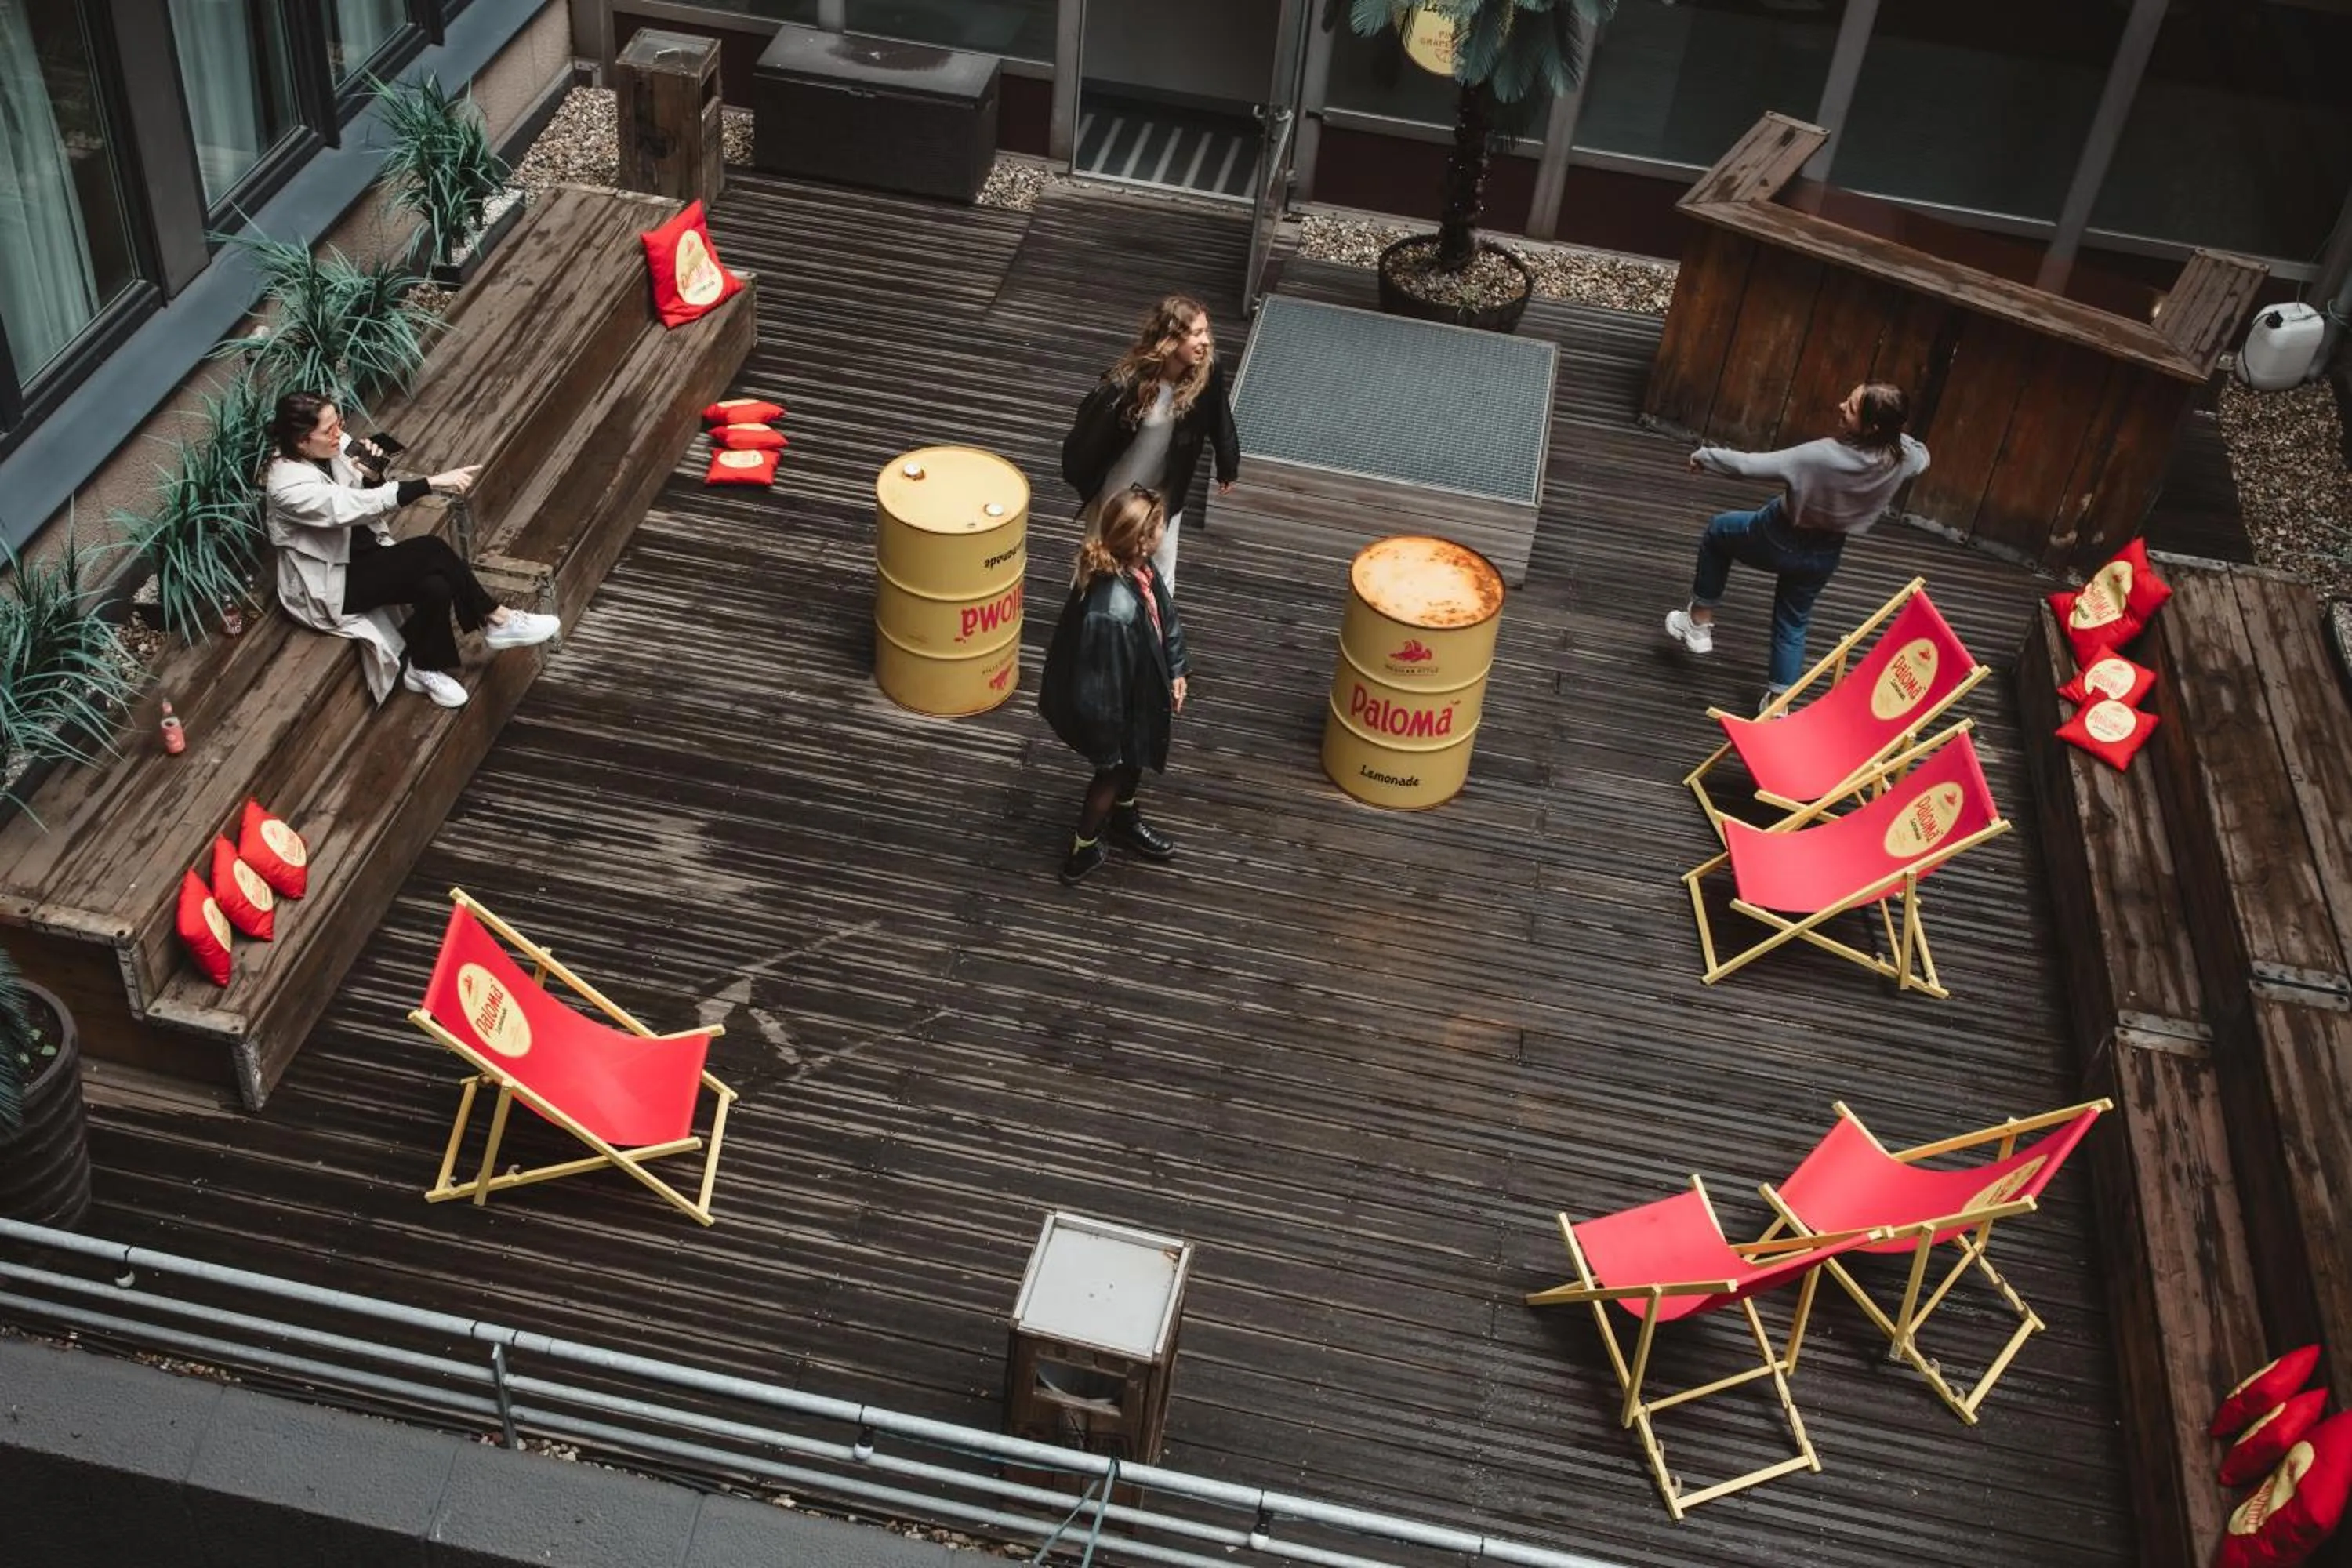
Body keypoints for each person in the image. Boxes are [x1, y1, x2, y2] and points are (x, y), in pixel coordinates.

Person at [263, 390, 558, 710]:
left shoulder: (331, 446)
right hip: (332, 581)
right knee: (430, 550)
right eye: (329, 430)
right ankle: (496, 618)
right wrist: (428, 484)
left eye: (340, 423)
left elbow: (366, 495)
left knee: (436, 585)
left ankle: (424, 667)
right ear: (302, 441)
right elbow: (350, 506)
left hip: (362, 551)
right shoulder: (286, 487)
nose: (340, 434)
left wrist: (373, 475)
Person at [1664, 383, 1929, 712]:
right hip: (1825, 553)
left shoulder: (1821, 456)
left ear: (1872, 426)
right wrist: (1893, 436)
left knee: (1719, 532)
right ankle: (1778, 706)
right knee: (1792, 622)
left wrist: (1705, 456)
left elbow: (1750, 466)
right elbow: (1921, 456)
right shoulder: (1901, 459)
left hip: (1777, 535)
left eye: (1851, 408)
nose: (1841, 404)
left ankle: (1698, 622)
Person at [1036, 485, 1190, 887]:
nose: (1163, 534)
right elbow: (1100, 693)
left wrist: (1176, 670)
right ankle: (1081, 849)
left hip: (1139, 696)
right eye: (1158, 528)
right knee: (1112, 772)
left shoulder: (1140, 568)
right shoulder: (1111, 610)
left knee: (1133, 761)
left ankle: (1124, 815)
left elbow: (1166, 619)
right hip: (1120, 710)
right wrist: (1109, 748)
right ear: (1143, 541)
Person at [1060, 293, 1240, 596]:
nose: (1206, 341)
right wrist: (1083, 478)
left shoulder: (1208, 371)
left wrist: (1227, 463)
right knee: (1100, 554)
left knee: (1162, 561)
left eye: (1206, 331)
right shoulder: (1127, 384)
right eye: (1197, 333)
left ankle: (1158, 630)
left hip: (1166, 487)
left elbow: (1219, 416)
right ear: (1170, 340)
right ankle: (1082, 615)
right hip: (1119, 487)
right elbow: (1087, 431)